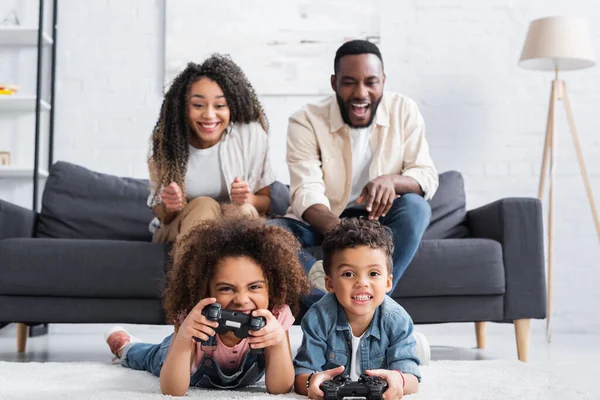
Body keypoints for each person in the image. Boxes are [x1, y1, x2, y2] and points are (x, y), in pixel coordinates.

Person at [269, 39, 438, 299]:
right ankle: (332, 307)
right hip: (322, 222)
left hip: (378, 221)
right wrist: (346, 235)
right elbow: (307, 191)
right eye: (349, 82)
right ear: (334, 82)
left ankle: (376, 302)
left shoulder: (404, 110)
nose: (361, 93)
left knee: (416, 207)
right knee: (270, 234)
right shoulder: (306, 120)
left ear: (383, 81)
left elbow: (426, 175)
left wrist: (391, 181)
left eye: (371, 82)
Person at [104, 214, 310, 396]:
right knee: (151, 357)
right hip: (179, 356)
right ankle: (127, 347)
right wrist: (184, 337)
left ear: (271, 287)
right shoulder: (195, 318)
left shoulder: (276, 315)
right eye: (226, 289)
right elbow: (172, 391)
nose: (241, 299)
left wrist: (278, 343)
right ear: (206, 290)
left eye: (254, 287)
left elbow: (280, 388)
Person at [148, 54, 275, 244]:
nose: (209, 115)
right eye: (198, 105)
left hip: (231, 225)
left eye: (220, 105)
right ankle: (193, 273)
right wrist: (170, 206)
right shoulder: (166, 141)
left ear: (231, 106)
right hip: (180, 229)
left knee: (244, 212)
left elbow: (265, 202)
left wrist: (249, 198)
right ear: (183, 107)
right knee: (204, 206)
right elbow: (162, 216)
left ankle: (242, 273)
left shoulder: (250, 135)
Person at [294, 218, 421, 400]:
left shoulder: (397, 320)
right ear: (329, 284)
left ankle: (416, 343)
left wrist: (398, 379)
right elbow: (301, 376)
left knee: (409, 352)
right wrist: (311, 381)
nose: (362, 283)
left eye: (373, 274)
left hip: (397, 335)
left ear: (387, 283)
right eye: (348, 274)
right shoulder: (318, 317)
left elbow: (413, 380)